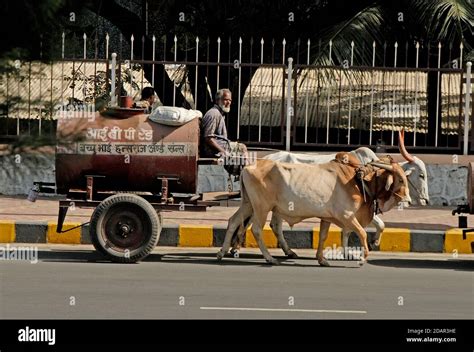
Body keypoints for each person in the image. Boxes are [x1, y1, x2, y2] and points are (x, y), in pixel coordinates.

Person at [200, 89, 249, 174]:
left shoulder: (220, 114)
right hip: (212, 150)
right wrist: (223, 151)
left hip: (221, 146)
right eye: (226, 100)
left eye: (230, 100)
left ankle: (240, 174)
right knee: (242, 148)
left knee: (241, 152)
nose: (228, 102)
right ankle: (244, 175)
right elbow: (208, 138)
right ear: (218, 100)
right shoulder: (214, 114)